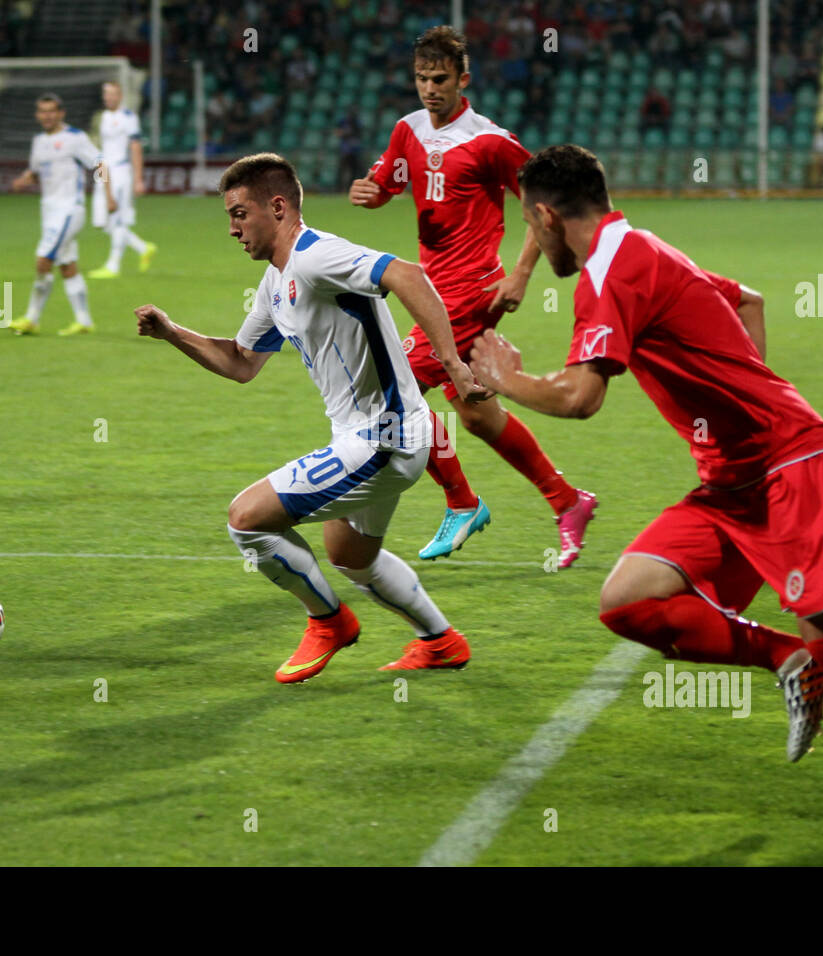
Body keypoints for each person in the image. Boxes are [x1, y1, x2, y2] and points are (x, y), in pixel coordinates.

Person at [470, 145, 823, 830]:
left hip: (793, 464)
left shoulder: (611, 272)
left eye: (527, 223)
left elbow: (582, 398)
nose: (530, 237)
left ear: (547, 214)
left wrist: (504, 380)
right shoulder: (639, 245)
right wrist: (739, 405)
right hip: (735, 480)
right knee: (628, 601)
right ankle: (789, 661)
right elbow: (749, 301)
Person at [134, 153, 489, 682]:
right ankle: (440, 642)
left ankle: (329, 621)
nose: (232, 229)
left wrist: (455, 367)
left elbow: (407, 275)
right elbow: (240, 362)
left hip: (384, 438)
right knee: (350, 554)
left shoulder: (315, 255)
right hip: (378, 437)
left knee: (247, 519)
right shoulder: (276, 282)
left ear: (277, 207)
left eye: (239, 213)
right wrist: (173, 333)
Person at [350, 26, 597, 566]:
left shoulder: (490, 141)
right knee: (477, 416)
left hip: (473, 291)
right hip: (431, 288)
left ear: (464, 80)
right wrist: (369, 194)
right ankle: (568, 501)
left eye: (440, 79)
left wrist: (522, 275)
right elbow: (387, 183)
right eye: (421, 79)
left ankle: (462, 502)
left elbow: (541, 205)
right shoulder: (407, 130)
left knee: (397, 386)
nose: (429, 89)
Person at [8, 94, 111, 337]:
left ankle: (32, 318)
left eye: (52, 111)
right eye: (43, 111)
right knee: (67, 266)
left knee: (43, 260)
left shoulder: (74, 138)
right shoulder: (39, 141)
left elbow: (101, 163)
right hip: (49, 211)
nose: (47, 116)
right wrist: (24, 180)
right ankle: (84, 320)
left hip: (69, 210)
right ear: (37, 115)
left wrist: (107, 196)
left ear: (61, 113)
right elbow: (35, 172)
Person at [89, 81, 158, 279]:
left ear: (120, 96)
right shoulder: (102, 118)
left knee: (118, 219)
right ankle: (143, 247)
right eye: (106, 94)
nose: (108, 97)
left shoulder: (128, 117)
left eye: (112, 94)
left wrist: (138, 179)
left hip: (120, 171)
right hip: (103, 171)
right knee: (101, 222)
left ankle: (113, 265)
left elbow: (135, 147)